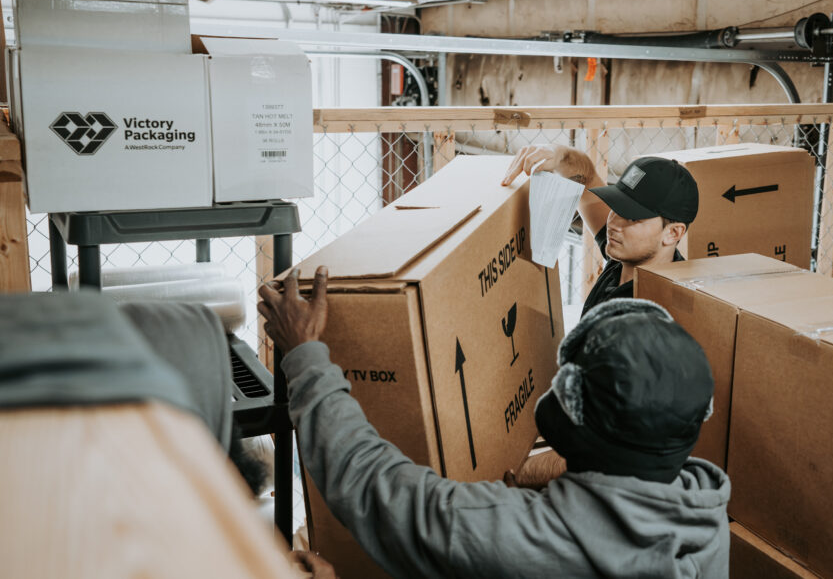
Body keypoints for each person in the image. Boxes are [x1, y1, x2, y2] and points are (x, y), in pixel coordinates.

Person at [258, 267, 730, 578]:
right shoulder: (705, 513)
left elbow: (366, 481)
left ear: (564, 412)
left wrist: (305, 356)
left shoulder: (510, 534)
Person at [501, 146, 699, 315]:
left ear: (673, 233)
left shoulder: (655, 315)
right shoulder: (628, 257)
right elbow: (585, 177)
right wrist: (558, 154)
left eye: (632, 216)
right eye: (616, 206)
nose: (613, 223)